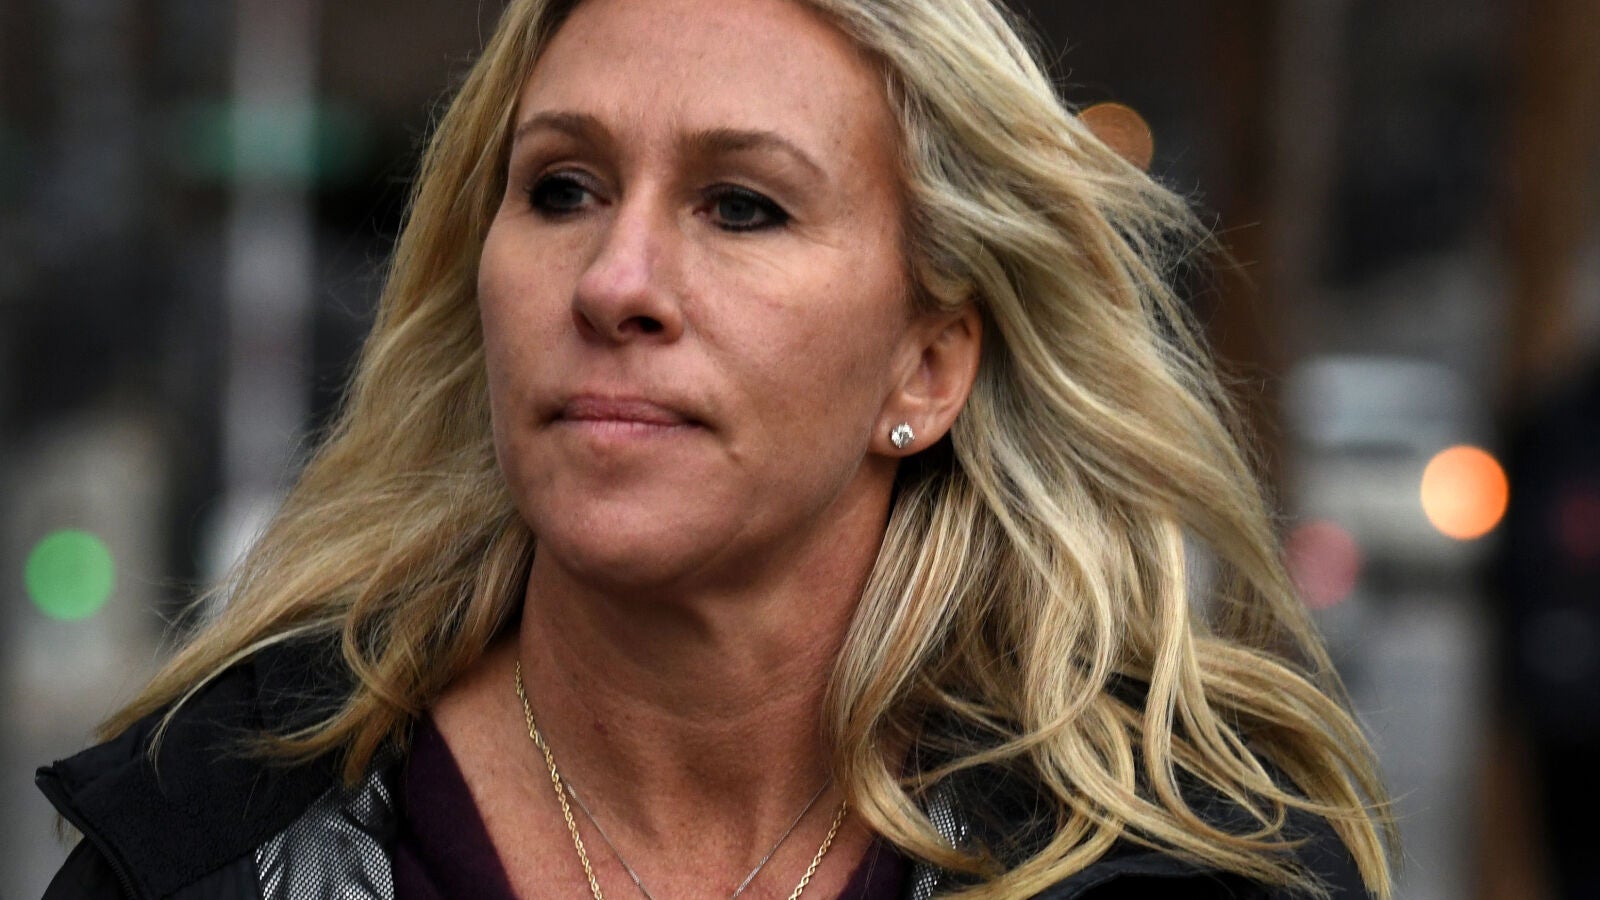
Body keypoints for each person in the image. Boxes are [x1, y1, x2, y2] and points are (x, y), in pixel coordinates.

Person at [37, 0, 1396, 897]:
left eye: (741, 207)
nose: (613, 281)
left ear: (927, 364)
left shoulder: (1187, 870)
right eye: (562, 188)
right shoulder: (206, 843)